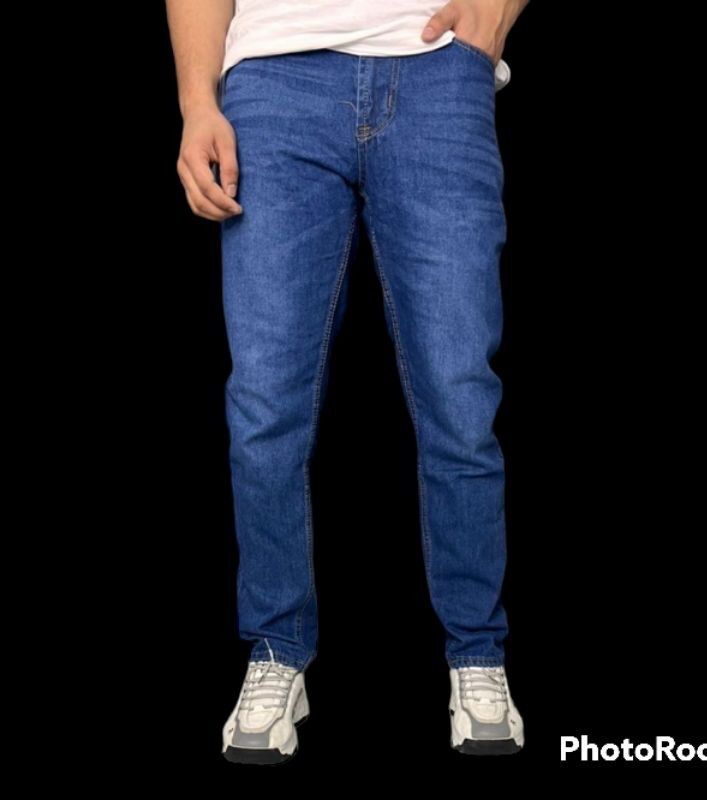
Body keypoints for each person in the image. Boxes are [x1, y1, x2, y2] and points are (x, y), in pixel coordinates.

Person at [166, 0, 529, 763]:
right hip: (273, 83)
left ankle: (477, 651)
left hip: (437, 76)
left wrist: (497, 10)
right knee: (265, 402)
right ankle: (276, 648)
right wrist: (198, 102)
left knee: (460, 394)